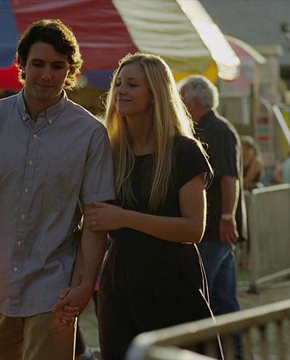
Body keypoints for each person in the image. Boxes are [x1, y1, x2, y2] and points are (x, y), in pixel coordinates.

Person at [0, 19, 115, 360]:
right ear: (21, 65)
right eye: (38, 64)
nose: (47, 75)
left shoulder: (90, 134)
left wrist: (84, 286)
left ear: (70, 70)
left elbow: (95, 219)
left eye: (57, 66)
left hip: (54, 287)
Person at [84, 53, 216, 360]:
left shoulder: (183, 151)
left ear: (155, 94)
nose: (120, 91)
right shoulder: (110, 151)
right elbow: (93, 222)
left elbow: (194, 228)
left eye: (132, 84)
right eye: (118, 84)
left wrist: (125, 218)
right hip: (120, 283)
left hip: (172, 282)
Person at [179, 74, 246, 358]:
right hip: (216, 228)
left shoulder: (217, 130)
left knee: (199, 296)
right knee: (223, 299)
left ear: (194, 101)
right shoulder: (209, 129)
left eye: (182, 98)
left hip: (214, 229)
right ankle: (233, 353)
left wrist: (227, 218)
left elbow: (229, 178)